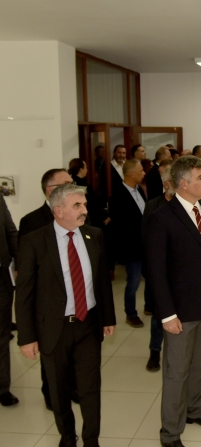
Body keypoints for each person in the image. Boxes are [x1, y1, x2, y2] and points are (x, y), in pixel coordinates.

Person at [16, 183, 116, 447]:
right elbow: (24, 294)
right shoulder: (34, 242)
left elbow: (102, 282)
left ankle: (91, 439)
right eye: (77, 206)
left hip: (88, 324)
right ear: (58, 210)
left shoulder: (94, 235)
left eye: (83, 204)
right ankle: (68, 437)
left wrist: (108, 318)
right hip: (53, 327)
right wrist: (26, 337)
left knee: (90, 387)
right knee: (58, 389)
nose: (84, 210)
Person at [146, 156, 201, 447]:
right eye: (200, 178)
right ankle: (170, 433)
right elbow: (155, 271)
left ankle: (195, 411)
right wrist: (167, 314)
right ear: (183, 183)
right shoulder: (161, 218)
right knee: (176, 372)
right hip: (180, 311)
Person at [18, 168, 80, 410]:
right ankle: (52, 394)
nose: (72, 187)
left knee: (74, 353)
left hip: (78, 300)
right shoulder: (31, 222)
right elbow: (27, 275)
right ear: (50, 190)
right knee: (52, 355)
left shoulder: (80, 214)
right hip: (49, 304)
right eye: (67, 184)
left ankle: (73, 387)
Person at [142, 163, 174, 372]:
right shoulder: (153, 206)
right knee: (158, 314)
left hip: (181, 271)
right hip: (159, 270)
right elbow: (146, 239)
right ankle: (155, 351)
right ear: (166, 184)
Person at [108, 159, 147, 328]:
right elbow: (120, 225)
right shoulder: (117, 196)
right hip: (131, 247)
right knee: (134, 281)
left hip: (146, 245)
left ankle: (150, 306)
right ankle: (130, 313)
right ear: (131, 174)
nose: (144, 173)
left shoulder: (141, 191)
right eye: (141, 171)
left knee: (152, 278)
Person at [0, 195, 18, 407]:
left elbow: (11, 231)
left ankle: (2, 387)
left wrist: (20, 263)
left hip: (1, 279)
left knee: (2, 334)